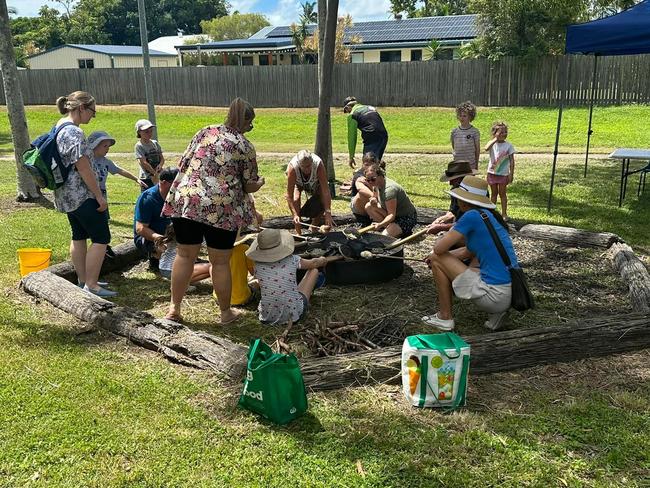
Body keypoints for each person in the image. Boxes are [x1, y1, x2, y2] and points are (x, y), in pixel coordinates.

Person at [162, 97, 265, 325]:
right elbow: (249, 185)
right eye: (251, 123)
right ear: (245, 120)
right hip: (221, 208)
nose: (251, 128)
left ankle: (174, 309)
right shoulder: (245, 146)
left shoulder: (206, 131)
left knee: (184, 255)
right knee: (219, 262)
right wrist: (259, 184)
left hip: (188, 200)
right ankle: (225, 313)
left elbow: (186, 160)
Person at [422, 176, 517, 332]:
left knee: (436, 257)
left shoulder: (471, 216)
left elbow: (439, 249)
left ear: (464, 201)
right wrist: (446, 262)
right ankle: (497, 314)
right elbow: (468, 251)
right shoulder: (490, 216)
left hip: (493, 295)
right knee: (442, 258)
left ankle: (445, 317)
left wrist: (436, 259)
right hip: (509, 293)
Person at [52, 91, 117, 297]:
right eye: (92, 111)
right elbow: (84, 167)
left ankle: (83, 280)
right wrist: (98, 195)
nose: (92, 116)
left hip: (66, 195)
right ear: (82, 108)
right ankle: (92, 285)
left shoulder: (59, 126)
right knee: (101, 237)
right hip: (81, 194)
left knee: (79, 235)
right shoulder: (74, 132)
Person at [246, 228, 328, 325]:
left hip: (266, 317)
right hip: (294, 315)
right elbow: (313, 263)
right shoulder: (292, 259)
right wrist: (323, 260)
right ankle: (303, 299)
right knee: (314, 271)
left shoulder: (257, 265)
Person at [133, 167, 178, 270]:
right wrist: (159, 238)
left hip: (170, 233)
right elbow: (140, 228)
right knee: (170, 254)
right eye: (175, 184)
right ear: (163, 182)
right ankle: (155, 256)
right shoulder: (148, 198)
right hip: (150, 237)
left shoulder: (177, 196)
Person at [285, 149, 335, 235]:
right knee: (296, 200)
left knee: (322, 199)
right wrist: (295, 214)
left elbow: (326, 191)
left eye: (308, 166)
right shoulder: (292, 168)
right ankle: (299, 233)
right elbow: (289, 195)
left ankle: (313, 226)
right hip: (298, 183)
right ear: (299, 164)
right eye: (303, 167)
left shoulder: (318, 164)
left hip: (315, 183)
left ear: (312, 163)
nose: (306, 169)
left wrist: (328, 212)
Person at [363, 165, 417, 238]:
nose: (370, 182)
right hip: (392, 215)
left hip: (405, 218)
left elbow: (391, 215)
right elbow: (374, 196)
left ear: (380, 176)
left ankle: (396, 230)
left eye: (373, 179)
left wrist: (380, 224)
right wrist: (374, 200)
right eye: (368, 180)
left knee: (385, 236)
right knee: (369, 206)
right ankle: (389, 227)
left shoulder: (389, 190)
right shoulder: (376, 184)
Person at [426, 160, 476, 235]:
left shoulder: (477, 194)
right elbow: (454, 211)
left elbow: (469, 223)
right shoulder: (455, 189)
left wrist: (441, 227)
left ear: (462, 179)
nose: (450, 183)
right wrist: (441, 220)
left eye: (453, 179)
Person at [344, 96, 389, 169]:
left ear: (347, 108)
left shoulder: (353, 115)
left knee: (368, 164)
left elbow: (352, 137)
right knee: (376, 162)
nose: (348, 113)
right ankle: (380, 177)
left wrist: (351, 156)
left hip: (372, 137)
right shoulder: (370, 108)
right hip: (384, 135)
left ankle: (371, 178)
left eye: (347, 111)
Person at [485, 121, 516, 221]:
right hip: (492, 173)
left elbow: (512, 160)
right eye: (501, 132)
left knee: (502, 194)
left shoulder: (509, 146)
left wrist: (511, 174)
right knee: (494, 194)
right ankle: (492, 213)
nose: (504, 134)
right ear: (494, 134)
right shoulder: (492, 144)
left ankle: (504, 213)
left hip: (503, 174)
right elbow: (486, 148)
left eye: (505, 132)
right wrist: (495, 139)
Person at [350, 152, 384, 224]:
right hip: (359, 203)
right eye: (366, 165)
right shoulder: (359, 175)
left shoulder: (380, 174)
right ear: (363, 165)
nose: (369, 167)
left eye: (371, 165)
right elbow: (361, 189)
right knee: (362, 194)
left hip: (375, 201)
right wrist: (375, 197)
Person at [134, 119, 165, 191]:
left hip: (158, 174)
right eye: (146, 132)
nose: (149, 133)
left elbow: (162, 158)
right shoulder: (139, 146)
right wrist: (154, 173)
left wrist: (160, 165)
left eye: (151, 131)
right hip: (146, 177)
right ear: (139, 132)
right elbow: (143, 162)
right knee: (147, 195)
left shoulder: (155, 143)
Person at [450, 101, 480, 171]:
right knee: (458, 181)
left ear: (470, 117)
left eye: (464, 116)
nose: (462, 118)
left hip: (470, 164)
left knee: (468, 181)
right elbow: (454, 146)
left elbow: (477, 149)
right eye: (460, 115)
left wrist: (476, 164)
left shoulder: (474, 131)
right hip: (458, 164)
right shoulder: (454, 132)